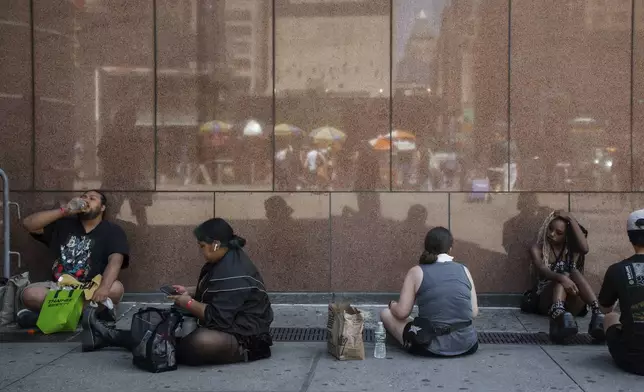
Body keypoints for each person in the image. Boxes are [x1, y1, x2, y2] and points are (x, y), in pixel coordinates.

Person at [81, 218, 274, 366]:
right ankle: (115, 336)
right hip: (234, 326)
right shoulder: (227, 259)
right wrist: (189, 291)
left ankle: (114, 337)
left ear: (215, 244)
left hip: (247, 340)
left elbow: (218, 317)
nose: (200, 251)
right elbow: (218, 292)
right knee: (167, 328)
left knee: (198, 342)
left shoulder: (232, 272)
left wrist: (187, 302)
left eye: (202, 246)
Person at [17, 190, 129, 326]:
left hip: (91, 288)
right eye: (83, 197)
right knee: (29, 294)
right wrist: (65, 210)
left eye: (92, 199)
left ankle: (55, 316)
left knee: (115, 289)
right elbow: (29, 224)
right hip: (60, 289)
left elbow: (115, 261)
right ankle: (85, 315)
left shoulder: (113, 230)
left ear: (102, 207)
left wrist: (104, 288)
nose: (86, 200)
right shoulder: (63, 224)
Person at [380, 227, 479, 357]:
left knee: (386, 314)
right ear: (450, 248)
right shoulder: (464, 270)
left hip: (429, 346)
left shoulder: (416, 271)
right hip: (468, 345)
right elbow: (473, 312)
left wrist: (391, 304)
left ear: (426, 247)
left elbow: (401, 313)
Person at [530, 210, 604, 343]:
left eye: (559, 233)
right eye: (550, 229)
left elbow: (585, 249)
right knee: (564, 275)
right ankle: (558, 311)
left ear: (566, 236)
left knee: (573, 271)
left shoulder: (571, 249)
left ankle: (597, 311)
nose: (552, 234)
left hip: (573, 302)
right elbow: (542, 269)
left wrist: (570, 218)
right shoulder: (537, 248)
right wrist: (562, 278)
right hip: (547, 301)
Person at [597, 209, 644, 376]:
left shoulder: (616, 270)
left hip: (635, 361)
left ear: (630, 237)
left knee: (610, 317)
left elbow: (604, 308)